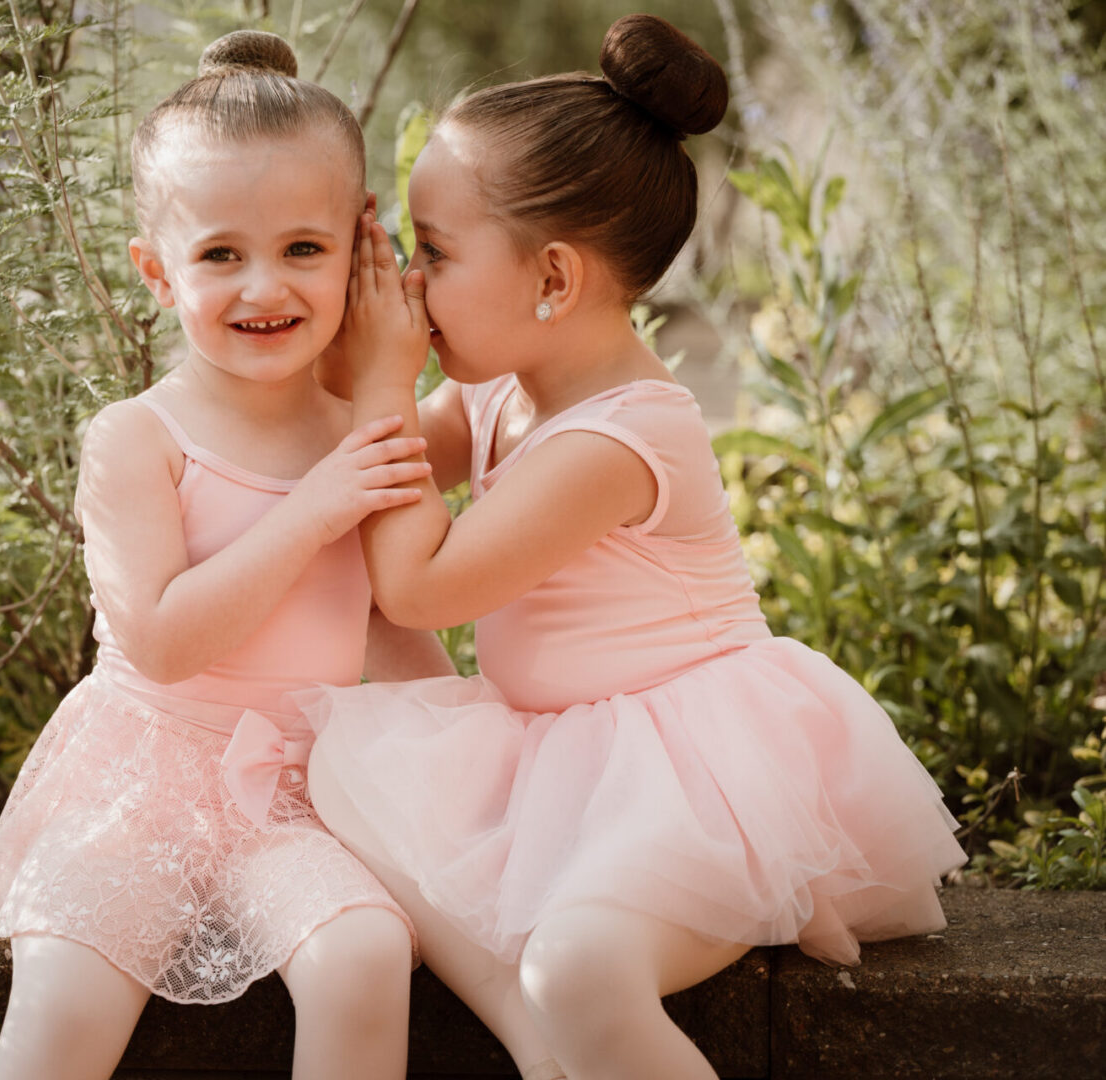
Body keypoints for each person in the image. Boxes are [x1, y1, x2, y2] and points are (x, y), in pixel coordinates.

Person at [300, 15, 968, 1080]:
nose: (413, 284)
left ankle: (556, 1015)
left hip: (694, 776)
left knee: (580, 969)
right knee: (350, 769)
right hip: (562, 751)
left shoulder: (622, 438)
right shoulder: (495, 391)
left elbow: (418, 587)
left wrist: (387, 380)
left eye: (432, 254)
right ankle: (531, 1042)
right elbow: (358, 456)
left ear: (553, 281)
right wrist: (337, 295)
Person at [0, 30, 452, 1080]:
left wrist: (469, 780)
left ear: (361, 251)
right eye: (221, 253)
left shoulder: (361, 433)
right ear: (156, 270)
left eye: (304, 250)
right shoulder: (137, 438)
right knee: (67, 1005)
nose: (263, 285)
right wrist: (315, 511)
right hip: (137, 783)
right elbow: (166, 641)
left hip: (293, 792)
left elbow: (400, 636)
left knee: (363, 952)